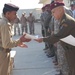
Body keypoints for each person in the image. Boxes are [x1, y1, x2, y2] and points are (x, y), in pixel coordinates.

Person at [35, 2, 75, 75]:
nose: (52, 14)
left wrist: (43, 39)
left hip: (72, 51)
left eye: (53, 12)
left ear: (60, 10)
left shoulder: (66, 21)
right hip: (69, 49)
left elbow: (57, 36)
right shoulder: (63, 19)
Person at [0, 3, 31, 75]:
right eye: (15, 14)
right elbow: (7, 44)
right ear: (8, 14)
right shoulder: (5, 24)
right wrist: (20, 40)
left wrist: (18, 43)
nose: (16, 16)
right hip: (2, 54)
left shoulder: (4, 22)